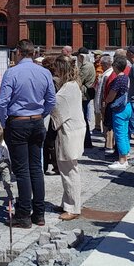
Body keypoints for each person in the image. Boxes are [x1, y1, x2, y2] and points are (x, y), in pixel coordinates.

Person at [0, 39, 56, 229]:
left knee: (22, 170)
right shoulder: (44, 72)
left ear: (19, 52)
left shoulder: (12, 72)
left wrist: (5, 122)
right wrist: (41, 115)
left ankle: (23, 214)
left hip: (18, 122)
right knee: (36, 168)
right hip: (36, 121)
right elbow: (51, 100)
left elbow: (2, 102)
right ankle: (39, 213)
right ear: (33, 53)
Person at [50, 55, 86, 221]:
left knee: (69, 171)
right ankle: (67, 202)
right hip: (74, 130)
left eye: (57, 68)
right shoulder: (72, 85)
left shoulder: (67, 89)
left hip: (69, 133)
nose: (55, 71)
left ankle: (73, 207)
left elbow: (56, 110)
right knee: (68, 169)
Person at [104, 54, 133, 170]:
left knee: (119, 134)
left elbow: (111, 96)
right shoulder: (126, 77)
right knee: (125, 133)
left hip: (119, 109)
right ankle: (126, 156)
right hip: (127, 106)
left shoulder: (118, 79)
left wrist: (106, 101)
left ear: (116, 66)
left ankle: (122, 160)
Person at [75, 47, 96, 149]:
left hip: (84, 94)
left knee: (83, 118)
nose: (77, 58)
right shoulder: (86, 65)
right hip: (84, 94)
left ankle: (86, 142)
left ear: (82, 56)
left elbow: (79, 79)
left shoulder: (86, 66)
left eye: (78, 56)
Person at [93, 54, 113, 134]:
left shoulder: (107, 75)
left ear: (106, 64)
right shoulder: (106, 73)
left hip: (105, 102)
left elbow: (104, 91)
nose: (101, 66)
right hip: (104, 102)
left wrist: (103, 103)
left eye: (102, 64)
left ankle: (108, 140)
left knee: (106, 124)